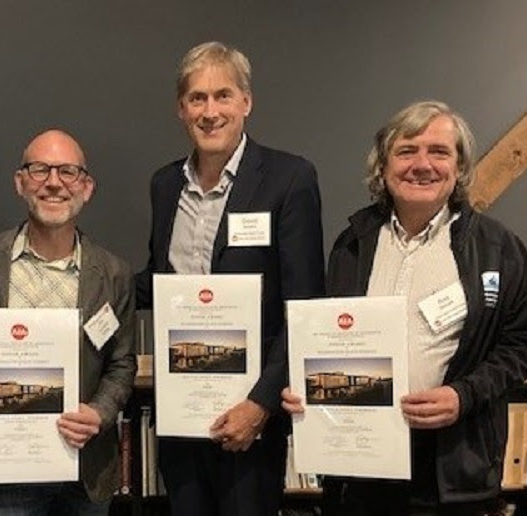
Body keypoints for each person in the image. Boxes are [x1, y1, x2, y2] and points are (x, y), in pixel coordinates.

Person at [282, 100, 527, 515]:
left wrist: (463, 395)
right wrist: (308, 388)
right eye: (407, 151)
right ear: (384, 165)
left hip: (450, 468)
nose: (422, 164)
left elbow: (525, 340)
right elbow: (332, 338)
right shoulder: (352, 243)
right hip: (361, 466)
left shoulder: (496, 247)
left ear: (459, 167)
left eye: (439, 152)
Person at [135, 41, 325, 516]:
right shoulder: (165, 185)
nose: (210, 110)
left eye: (223, 95)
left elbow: (303, 307)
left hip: (249, 418)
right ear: (181, 109)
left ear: (246, 102)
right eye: (197, 98)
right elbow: (159, 282)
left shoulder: (288, 178)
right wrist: (90, 284)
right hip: (182, 413)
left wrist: (261, 405)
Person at [0, 129, 136, 515]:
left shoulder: (114, 273)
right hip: (6, 472)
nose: (53, 183)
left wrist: (99, 413)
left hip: (84, 470)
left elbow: (122, 363)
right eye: (39, 170)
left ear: (87, 187)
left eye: (68, 172)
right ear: (20, 182)